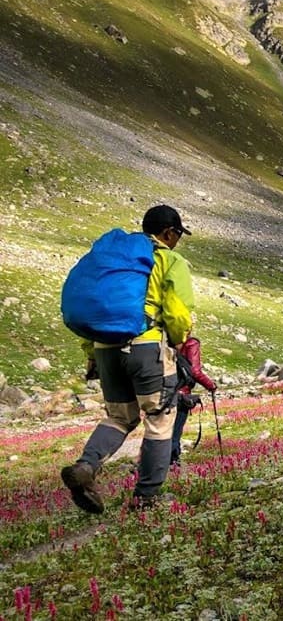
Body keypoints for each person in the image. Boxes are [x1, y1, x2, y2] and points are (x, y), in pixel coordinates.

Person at [61, 204, 196, 513]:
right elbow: (177, 312)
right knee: (160, 419)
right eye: (178, 235)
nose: (177, 241)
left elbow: (93, 312)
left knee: (119, 417)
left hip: (105, 349)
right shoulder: (168, 260)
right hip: (146, 347)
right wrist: (179, 343)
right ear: (168, 233)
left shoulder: (114, 263)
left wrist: (92, 354)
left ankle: (86, 466)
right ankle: (147, 497)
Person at [169, 335, 217, 466]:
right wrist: (211, 385)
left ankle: (148, 465)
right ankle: (172, 464)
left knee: (160, 430)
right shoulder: (191, 343)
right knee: (175, 432)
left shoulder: (162, 339)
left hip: (161, 391)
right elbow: (195, 371)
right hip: (180, 395)